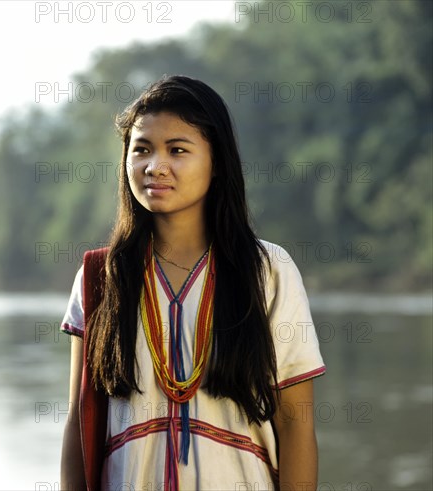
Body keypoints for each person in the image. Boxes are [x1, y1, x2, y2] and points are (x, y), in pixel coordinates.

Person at [60, 75, 326, 491]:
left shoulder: (268, 271)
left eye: (177, 150)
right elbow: (79, 420)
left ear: (216, 162)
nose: (155, 166)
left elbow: (295, 426)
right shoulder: (101, 277)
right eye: (142, 149)